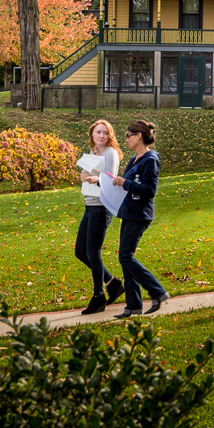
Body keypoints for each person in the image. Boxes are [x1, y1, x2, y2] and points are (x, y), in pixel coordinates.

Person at [111, 119, 170, 317]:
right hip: (128, 213)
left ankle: (157, 291)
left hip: (139, 215)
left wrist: (125, 183)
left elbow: (150, 191)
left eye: (129, 135)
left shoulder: (150, 160)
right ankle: (133, 306)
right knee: (126, 258)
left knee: (125, 257)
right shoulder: (134, 159)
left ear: (138, 136)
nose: (126, 139)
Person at [76, 119, 125, 315]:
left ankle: (98, 297)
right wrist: (83, 177)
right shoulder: (91, 154)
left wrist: (97, 179)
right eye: (98, 132)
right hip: (89, 205)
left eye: (105, 133)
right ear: (92, 135)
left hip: (101, 207)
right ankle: (113, 284)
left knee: (93, 252)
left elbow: (111, 179)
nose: (102, 136)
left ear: (110, 135)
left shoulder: (110, 153)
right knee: (80, 252)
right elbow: (86, 178)